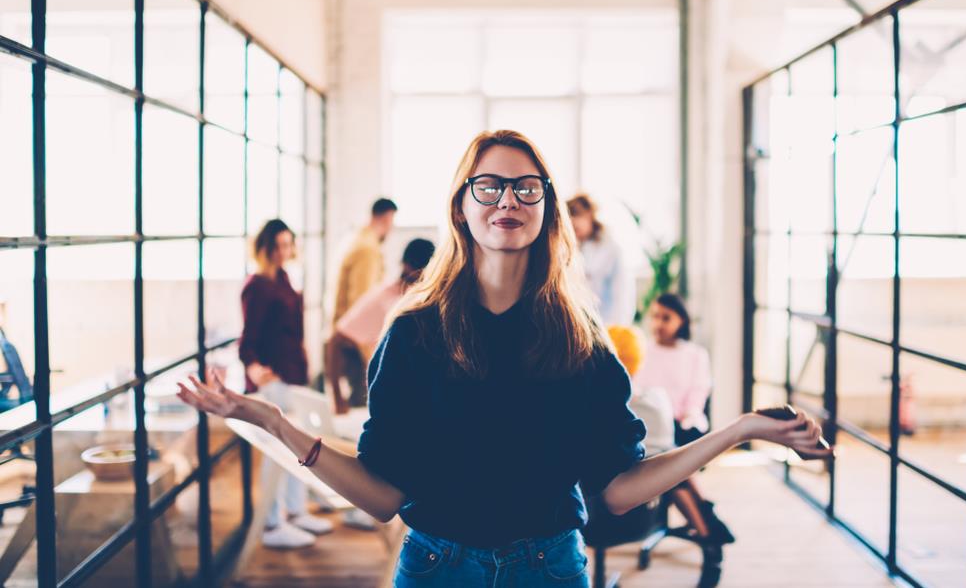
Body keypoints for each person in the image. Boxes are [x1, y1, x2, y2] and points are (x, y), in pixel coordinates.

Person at [179, 130, 831, 587]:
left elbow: (620, 489)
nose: (507, 201)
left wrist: (739, 429)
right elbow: (382, 498)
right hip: (436, 570)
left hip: (550, 570)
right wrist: (269, 418)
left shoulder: (582, 341)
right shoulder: (413, 335)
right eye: (487, 186)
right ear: (461, 208)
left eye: (526, 188)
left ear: (547, 210)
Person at [607, 325, 734, 588]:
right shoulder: (652, 400)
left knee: (675, 468)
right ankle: (708, 527)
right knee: (675, 470)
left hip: (604, 510)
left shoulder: (600, 406)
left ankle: (708, 527)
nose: (658, 323)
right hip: (638, 502)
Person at [239, 219, 334, 549]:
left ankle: (295, 511)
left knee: (298, 448)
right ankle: (271, 523)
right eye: (278, 245)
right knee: (277, 453)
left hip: (293, 378)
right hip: (275, 382)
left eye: (288, 244)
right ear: (265, 247)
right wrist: (254, 368)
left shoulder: (282, 279)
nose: (284, 251)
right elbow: (247, 340)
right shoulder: (258, 285)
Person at [327, 238, 435, 412]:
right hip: (381, 393)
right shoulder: (385, 299)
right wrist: (337, 397)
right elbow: (335, 340)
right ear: (409, 267)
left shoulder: (428, 299)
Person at [327, 198, 397, 411]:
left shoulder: (354, 240)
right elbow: (361, 303)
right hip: (354, 346)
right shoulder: (367, 249)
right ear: (386, 218)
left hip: (344, 338)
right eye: (392, 223)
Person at [635, 293, 713, 447]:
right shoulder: (641, 350)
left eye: (666, 318)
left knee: (693, 436)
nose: (658, 324)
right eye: (655, 317)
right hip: (647, 421)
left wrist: (688, 416)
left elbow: (698, 394)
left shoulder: (696, 355)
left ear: (681, 320)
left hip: (681, 422)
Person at [567, 193, 635, 326]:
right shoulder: (565, 249)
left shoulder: (611, 249)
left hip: (608, 324)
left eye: (578, 214)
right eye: (569, 215)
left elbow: (623, 294)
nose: (573, 221)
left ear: (591, 216)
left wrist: (618, 326)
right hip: (578, 325)